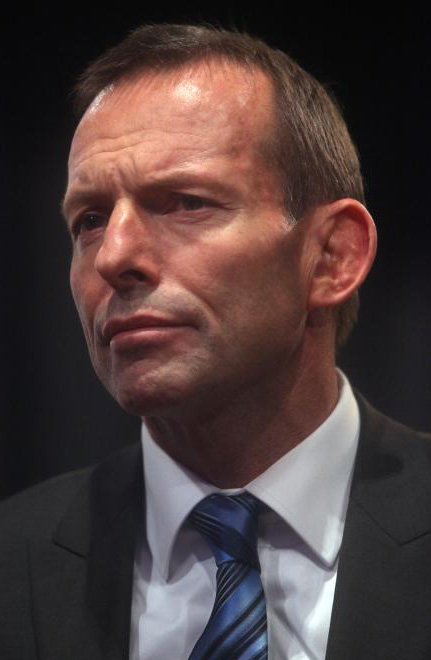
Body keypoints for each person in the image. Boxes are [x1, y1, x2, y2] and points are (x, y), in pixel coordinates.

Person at [1, 23, 431, 660]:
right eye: (89, 220)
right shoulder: (13, 562)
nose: (113, 257)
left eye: (185, 203)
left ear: (331, 257)